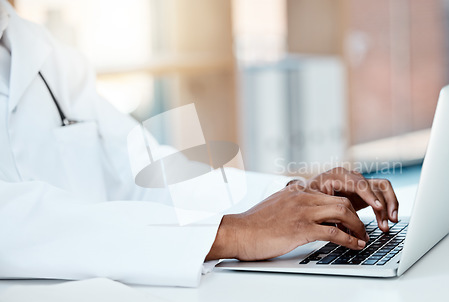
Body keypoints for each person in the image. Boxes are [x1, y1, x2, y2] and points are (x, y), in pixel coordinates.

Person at [0, 1, 398, 287]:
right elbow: (17, 222)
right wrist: (233, 234)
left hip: (111, 297)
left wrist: (298, 196)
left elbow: (147, 168)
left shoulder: (44, 53)